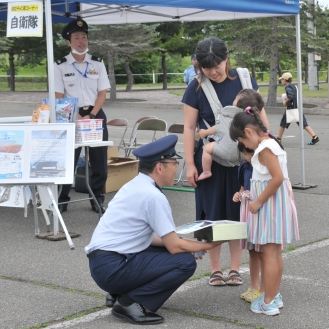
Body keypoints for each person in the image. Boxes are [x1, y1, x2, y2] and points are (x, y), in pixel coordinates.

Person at [85, 135, 225, 325]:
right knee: (184, 262)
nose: (176, 168)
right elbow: (175, 246)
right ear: (160, 167)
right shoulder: (153, 196)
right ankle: (129, 302)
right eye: (174, 163)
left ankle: (117, 293)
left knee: (168, 250)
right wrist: (208, 245)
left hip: (103, 265)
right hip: (113, 268)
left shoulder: (135, 185)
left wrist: (195, 245)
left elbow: (152, 238)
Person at [182, 37, 270, 286]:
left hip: (243, 162)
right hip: (211, 160)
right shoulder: (196, 87)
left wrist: (264, 151)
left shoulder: (244, 80)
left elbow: (262, 118)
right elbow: (189, 128)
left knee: (238, 213)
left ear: (226, 58)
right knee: (213, 213)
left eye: (217, 64)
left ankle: (234, 268)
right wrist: (190, 163)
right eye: (206, 67)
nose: (213, 71)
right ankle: (214, 268)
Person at [229, 107, 299, 316]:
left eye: (243, 141)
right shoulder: (271, 144)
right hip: (276, 205)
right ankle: (273, 295)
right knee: (274, 254)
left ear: (249, 132)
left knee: (269, 254)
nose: (244, 146)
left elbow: (276, 178)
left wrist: (258, 200)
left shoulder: (264, 149)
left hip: (270, 205)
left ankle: (268, 301)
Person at [55, 18, 110, 214]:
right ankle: (62, 199)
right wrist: (77, 115)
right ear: (68, 42)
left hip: (95, 114)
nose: (81, 41)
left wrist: (92, 114)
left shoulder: (97, 63)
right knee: (68, 159)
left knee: (99, 162)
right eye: (77, 37)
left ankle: (97, 199)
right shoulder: (60, 65)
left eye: (84, 37)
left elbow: (102, 93)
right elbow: (58, 96)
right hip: (71, 114)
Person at [197, 89, 266, 181]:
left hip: (227, 151)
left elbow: (217, 128)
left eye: (236, 98)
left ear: (236, 103)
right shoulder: (251, 118)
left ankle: (206, 171)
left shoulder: (225, 114)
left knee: (207, 148)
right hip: (245, 153)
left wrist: (204, 133)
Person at [232, 142, 261, 303]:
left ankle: (265, 289)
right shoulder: (244, 167)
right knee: (252, 250)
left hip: (261, 212)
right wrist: (238, 194)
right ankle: (255, 286)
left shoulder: (263, 167)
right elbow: (243, 188)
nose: (248, 158)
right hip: (248, 213)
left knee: (264, 251)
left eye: (251, 154)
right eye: (245, 154)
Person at [277, 72, 319, 146]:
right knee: (304, 124)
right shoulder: (294, 86)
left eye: (282, 79)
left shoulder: (288, 87)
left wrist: (285, 102)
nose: (281, 81)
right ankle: (314, 137)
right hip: (298, 108)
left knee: (282, 124)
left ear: (285, 80)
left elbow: (291, 96)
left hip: (291, 109)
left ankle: (278, 139)